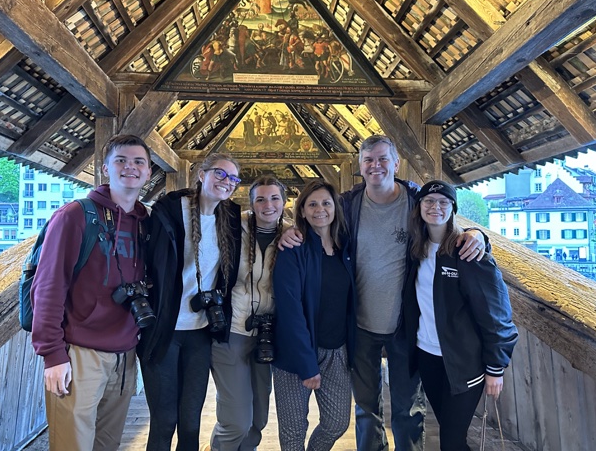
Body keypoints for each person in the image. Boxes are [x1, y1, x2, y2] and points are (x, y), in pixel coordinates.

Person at [280, 135, 486, 451]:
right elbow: (318, 222)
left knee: (407, 408)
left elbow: (446, 221)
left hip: (405, 325)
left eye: (382, 159)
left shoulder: (416, 201)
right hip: (359, 324)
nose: (375, 166)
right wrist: (290, 231)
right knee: (366, 411)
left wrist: (478, 235)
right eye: (368, 160)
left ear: (396, 163)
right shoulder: (348, 205)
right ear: (360, 166)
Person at [31, 134, 152, 450]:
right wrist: (52, 355)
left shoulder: (146, 223)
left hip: (126, 356)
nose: (130, 167)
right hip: (79, 355)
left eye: (139, 162)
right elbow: (48, 286)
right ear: (105, 169)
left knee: (107, 445)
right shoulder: (75, 215)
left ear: (149, 172)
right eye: (121, 160)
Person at [138, 153, 242, 451]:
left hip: (200, 331)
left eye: (233, 178)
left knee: (191, 421)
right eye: (220, 174)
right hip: (163, 329)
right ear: (202, 174)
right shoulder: (168, 212)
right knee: (164, 420)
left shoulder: (231, 218)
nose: (226, 182)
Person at [405, 180, 518, 450]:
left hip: (464, 362)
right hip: (427, 356)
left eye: (443, 202)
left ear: (453, 209)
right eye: (429, 201)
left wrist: (496, 367)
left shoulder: (468, 251)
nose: (435, 207)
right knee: (450, 434)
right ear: (419, 207)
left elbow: (496, 312)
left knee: (451, 441)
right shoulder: (415, 249)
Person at [206, 175, 291, 451]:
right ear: (251, 204)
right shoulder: (232, 229)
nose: (268, 205)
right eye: (260, 199)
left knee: (258, 419)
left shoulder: (292, 234)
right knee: (236, 421)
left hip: (267, 335)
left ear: (284, 201)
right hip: (232, 331)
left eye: (275, 198)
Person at [273, 179, 356, 451]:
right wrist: (307, 364)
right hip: (295, 354)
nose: (320, 209)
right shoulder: (293, 249)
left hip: (336, 350)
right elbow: (290, 310)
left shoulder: (346, 248)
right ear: (302, 210)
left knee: (337, 422)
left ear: (335, 208)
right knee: (293, 434)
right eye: (312, 204)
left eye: (326, 203)